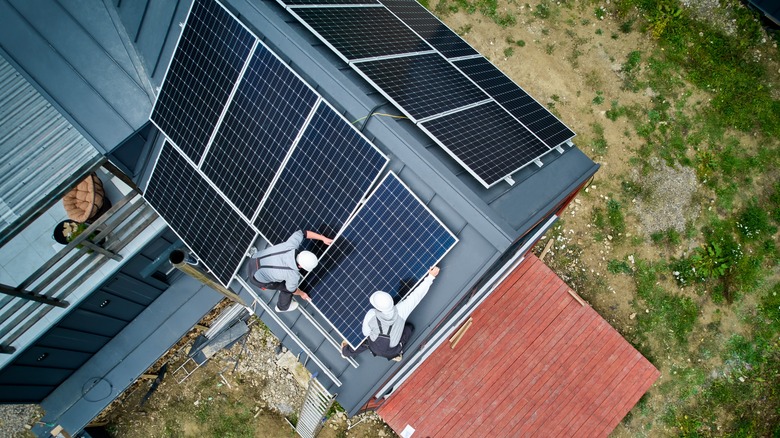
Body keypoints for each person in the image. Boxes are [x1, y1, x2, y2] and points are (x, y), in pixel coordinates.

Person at [341, 266, 440, 361]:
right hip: (392, 350)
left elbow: (365, 333)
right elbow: (417, 295)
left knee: (367, 342)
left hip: (373, 346)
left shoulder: (371, 315)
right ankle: (396, 354)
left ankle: (346, 352)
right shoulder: (401, 311)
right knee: (410, 328)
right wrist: (431, 276)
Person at [248, 230, 333, 312]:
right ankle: (282, 307)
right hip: (256, 280)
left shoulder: (290, 245)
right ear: (301, 266)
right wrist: (301, 293)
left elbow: (303, 233)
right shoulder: (293, 275)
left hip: (253, 259)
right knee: (286, 288)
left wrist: (323, 238)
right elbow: (292, 290)